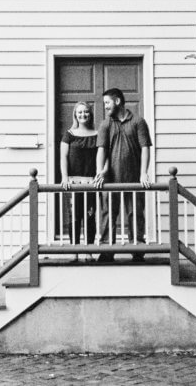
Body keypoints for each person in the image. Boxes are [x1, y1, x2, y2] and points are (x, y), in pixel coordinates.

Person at [91, 88, 153, 262]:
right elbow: (101, 150)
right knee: (107, 213)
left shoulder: (139, 122)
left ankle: (138, 250)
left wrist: (143, 173)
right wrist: (99, 173)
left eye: (107, 103)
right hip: (111, 181)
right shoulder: (106, 124)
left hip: (133, 179)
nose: (105, 107)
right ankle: (106, 251)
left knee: (135, 213)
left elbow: (145, 148)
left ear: (117, 101)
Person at [59, 102, 98, 257]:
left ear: (90, 114)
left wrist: (100, 174)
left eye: (86, 112)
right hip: (73, 182)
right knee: (75, 216)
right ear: (75, 114)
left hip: (91, 182)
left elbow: (103, 156)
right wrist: (64, 177)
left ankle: (88, 251)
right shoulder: (69, 134)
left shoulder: (97, 134)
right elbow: (63, 157)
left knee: (90, 216)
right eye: (80, 112)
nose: (83, 115)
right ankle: (74, 251)